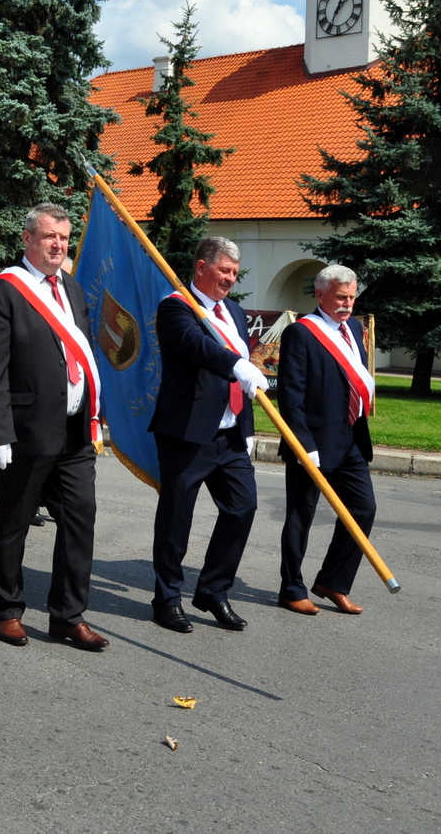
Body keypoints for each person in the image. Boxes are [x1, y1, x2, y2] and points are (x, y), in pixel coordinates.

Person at [0, 202, 108, 651]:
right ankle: (8, 609)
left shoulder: (70, 287)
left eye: (64, 239)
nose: (58, 245)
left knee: (79, 519)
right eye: (50, 237)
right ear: (28, 239)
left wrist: (94, 409)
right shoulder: (4, 291)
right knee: (13, 522)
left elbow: (81, 354)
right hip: (25, 431)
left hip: (74, 431)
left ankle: (67, 615)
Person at [146, 237, 269, 633]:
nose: (231, 279)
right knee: (176, 519)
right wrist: (237, 364)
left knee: (242, 508)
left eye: (235, 272)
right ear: (201, 267)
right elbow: (196, 346)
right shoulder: (176, 307)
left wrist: (246, 425)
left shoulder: (233, 311)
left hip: (230, 434)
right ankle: (166, 599)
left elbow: (242, 368)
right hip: (187, 432)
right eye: (224, 271)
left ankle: (213, 591)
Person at [276, 264, 378, 617]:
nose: (347, 304)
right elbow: (290, 395)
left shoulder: (353, 328)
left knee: (363, 509)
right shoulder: (301, 334)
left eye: (351, 297)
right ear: (320, 295)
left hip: (350, 437)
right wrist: (304, 445)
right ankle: (291, 588)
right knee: (300, 517)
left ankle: (333, 581)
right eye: (340, 297)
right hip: (312, 442)